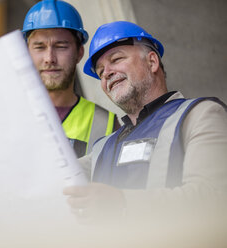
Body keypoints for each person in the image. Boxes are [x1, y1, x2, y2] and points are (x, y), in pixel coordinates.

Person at [63, 21, 227, 222]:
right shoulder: (100, 149)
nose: (106, 73)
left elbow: (214, 199)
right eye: (100, 71)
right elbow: (54, 180)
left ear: (152, 62)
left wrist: (121, 203)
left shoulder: (200, 115)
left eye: (116, 59)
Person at [22, 0, 117, 158]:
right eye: (39, 47)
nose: (49, 58)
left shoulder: (105, 124)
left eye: (61, 46)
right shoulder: (5, 114)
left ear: (79, 53)